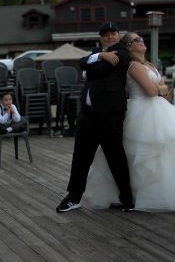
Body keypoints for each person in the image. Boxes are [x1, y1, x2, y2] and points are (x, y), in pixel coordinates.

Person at [84, 32, 175, 212]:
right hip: (141, 110)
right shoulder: (133, 65)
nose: (141, 41)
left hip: (158, 109)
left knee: (171, 149)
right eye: (137, 40)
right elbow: (152, 91)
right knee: (145, 153)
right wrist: (158, 88)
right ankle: (142, 194)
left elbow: (164, 88)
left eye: (141, 39)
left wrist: (158, 88)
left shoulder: (150, 64)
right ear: (129, 46)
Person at [56, 22, 134, 212]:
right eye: (105, 34)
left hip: (110, 112)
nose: (109, 37)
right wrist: (100, 55)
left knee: (115, 155)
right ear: (100, 37)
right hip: (88, 113)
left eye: (113, 33)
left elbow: (94, 70)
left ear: (118, 35)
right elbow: (81, 62)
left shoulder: (123, 52)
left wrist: (92, 63)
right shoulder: (97, 52)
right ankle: (74, 196)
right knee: (81, 155)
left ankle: (127, 198)